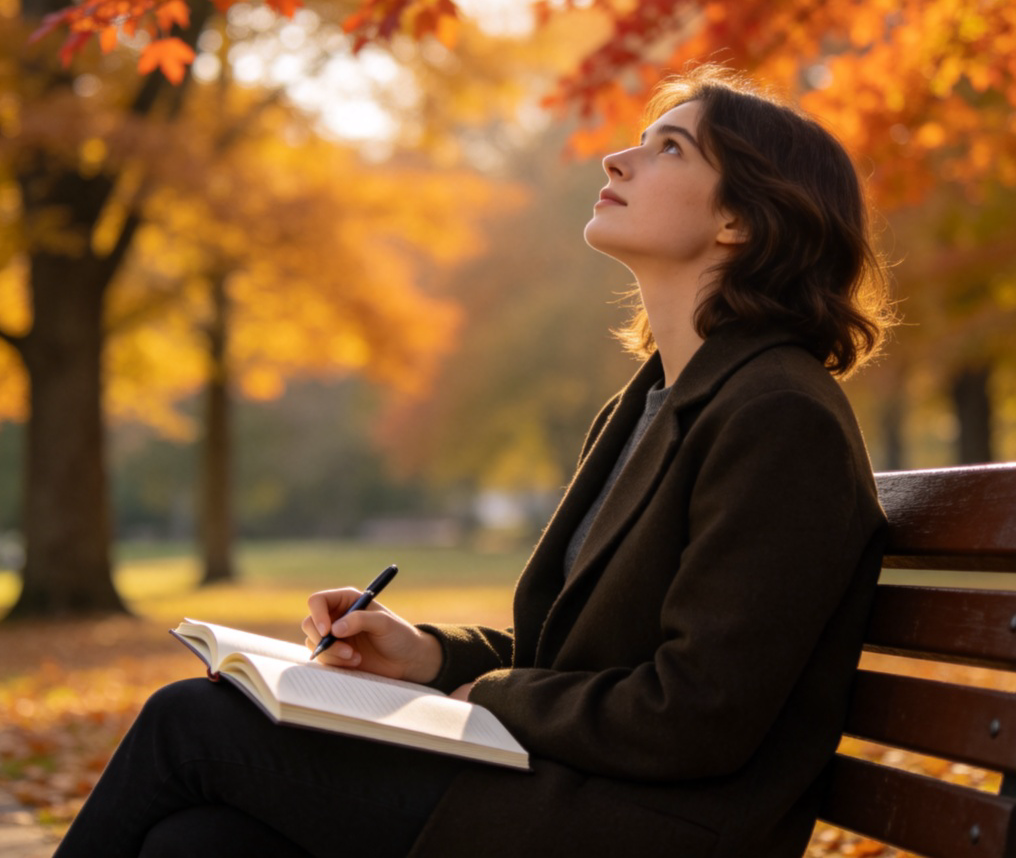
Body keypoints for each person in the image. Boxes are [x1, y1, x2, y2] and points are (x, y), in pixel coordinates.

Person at [56, 64, 894, 858]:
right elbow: (571, 656)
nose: (618, 155)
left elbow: (699, 712)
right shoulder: (653, 403)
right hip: (566, 786)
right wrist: (427, 656)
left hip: (645, 826)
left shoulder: (780, 415)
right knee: (194, 845)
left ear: (739, 221)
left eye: (670, 146)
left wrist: (488, 696)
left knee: (191, 723)